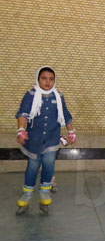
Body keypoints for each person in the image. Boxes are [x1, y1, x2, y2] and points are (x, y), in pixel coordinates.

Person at [15, 66, 76, 214]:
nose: (47, 82)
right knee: (33, 166)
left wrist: (71, 131)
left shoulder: (58, 96)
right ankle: (27, 193)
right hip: (34, 140)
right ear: (38, 79)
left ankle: (44, 192)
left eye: (51, 79)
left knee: (49, 165)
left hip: (51, 138)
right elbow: (22, 113)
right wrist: (21, 130)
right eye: (44, 78)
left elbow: (65, 114)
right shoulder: (30, 95)